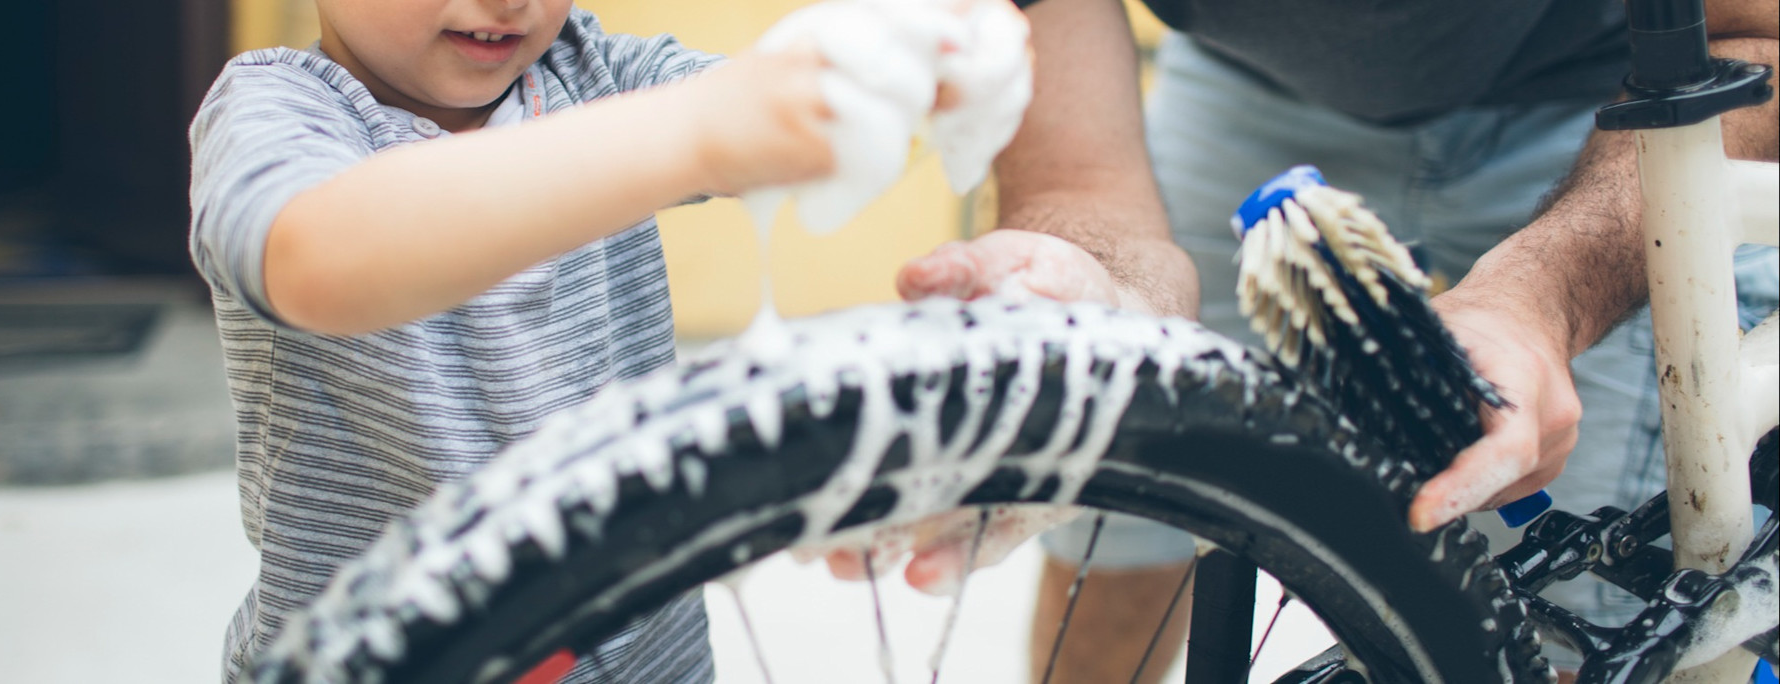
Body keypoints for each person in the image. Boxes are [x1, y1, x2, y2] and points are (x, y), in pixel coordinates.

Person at [893, 0, 1778, 680]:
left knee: (1568, 622)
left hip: (1617, 108)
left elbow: (1756, 36)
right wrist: (1097, 273)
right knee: (1119, 534)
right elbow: (1079, 171)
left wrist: (1541, 303)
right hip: (1249, 87)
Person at [184, 0, 864, 678]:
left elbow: (802, 117)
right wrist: (694, 132)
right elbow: (316, 260)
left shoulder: (596, 73)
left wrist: (906, 68)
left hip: (649, 656)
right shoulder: (275, 109)